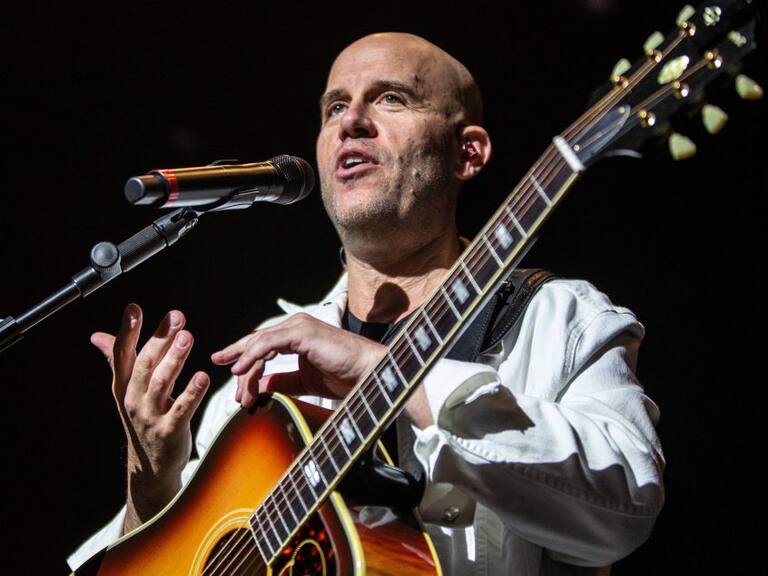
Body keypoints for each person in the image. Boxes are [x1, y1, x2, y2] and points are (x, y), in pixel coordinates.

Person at [68, 32, 665, 574]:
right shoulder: (269, 363)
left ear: (468, 153)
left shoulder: (559, 317)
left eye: (392, 99)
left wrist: (381, 371)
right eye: (334, 107)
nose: (351, 120)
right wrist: (151, 491)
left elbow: (622, 510)